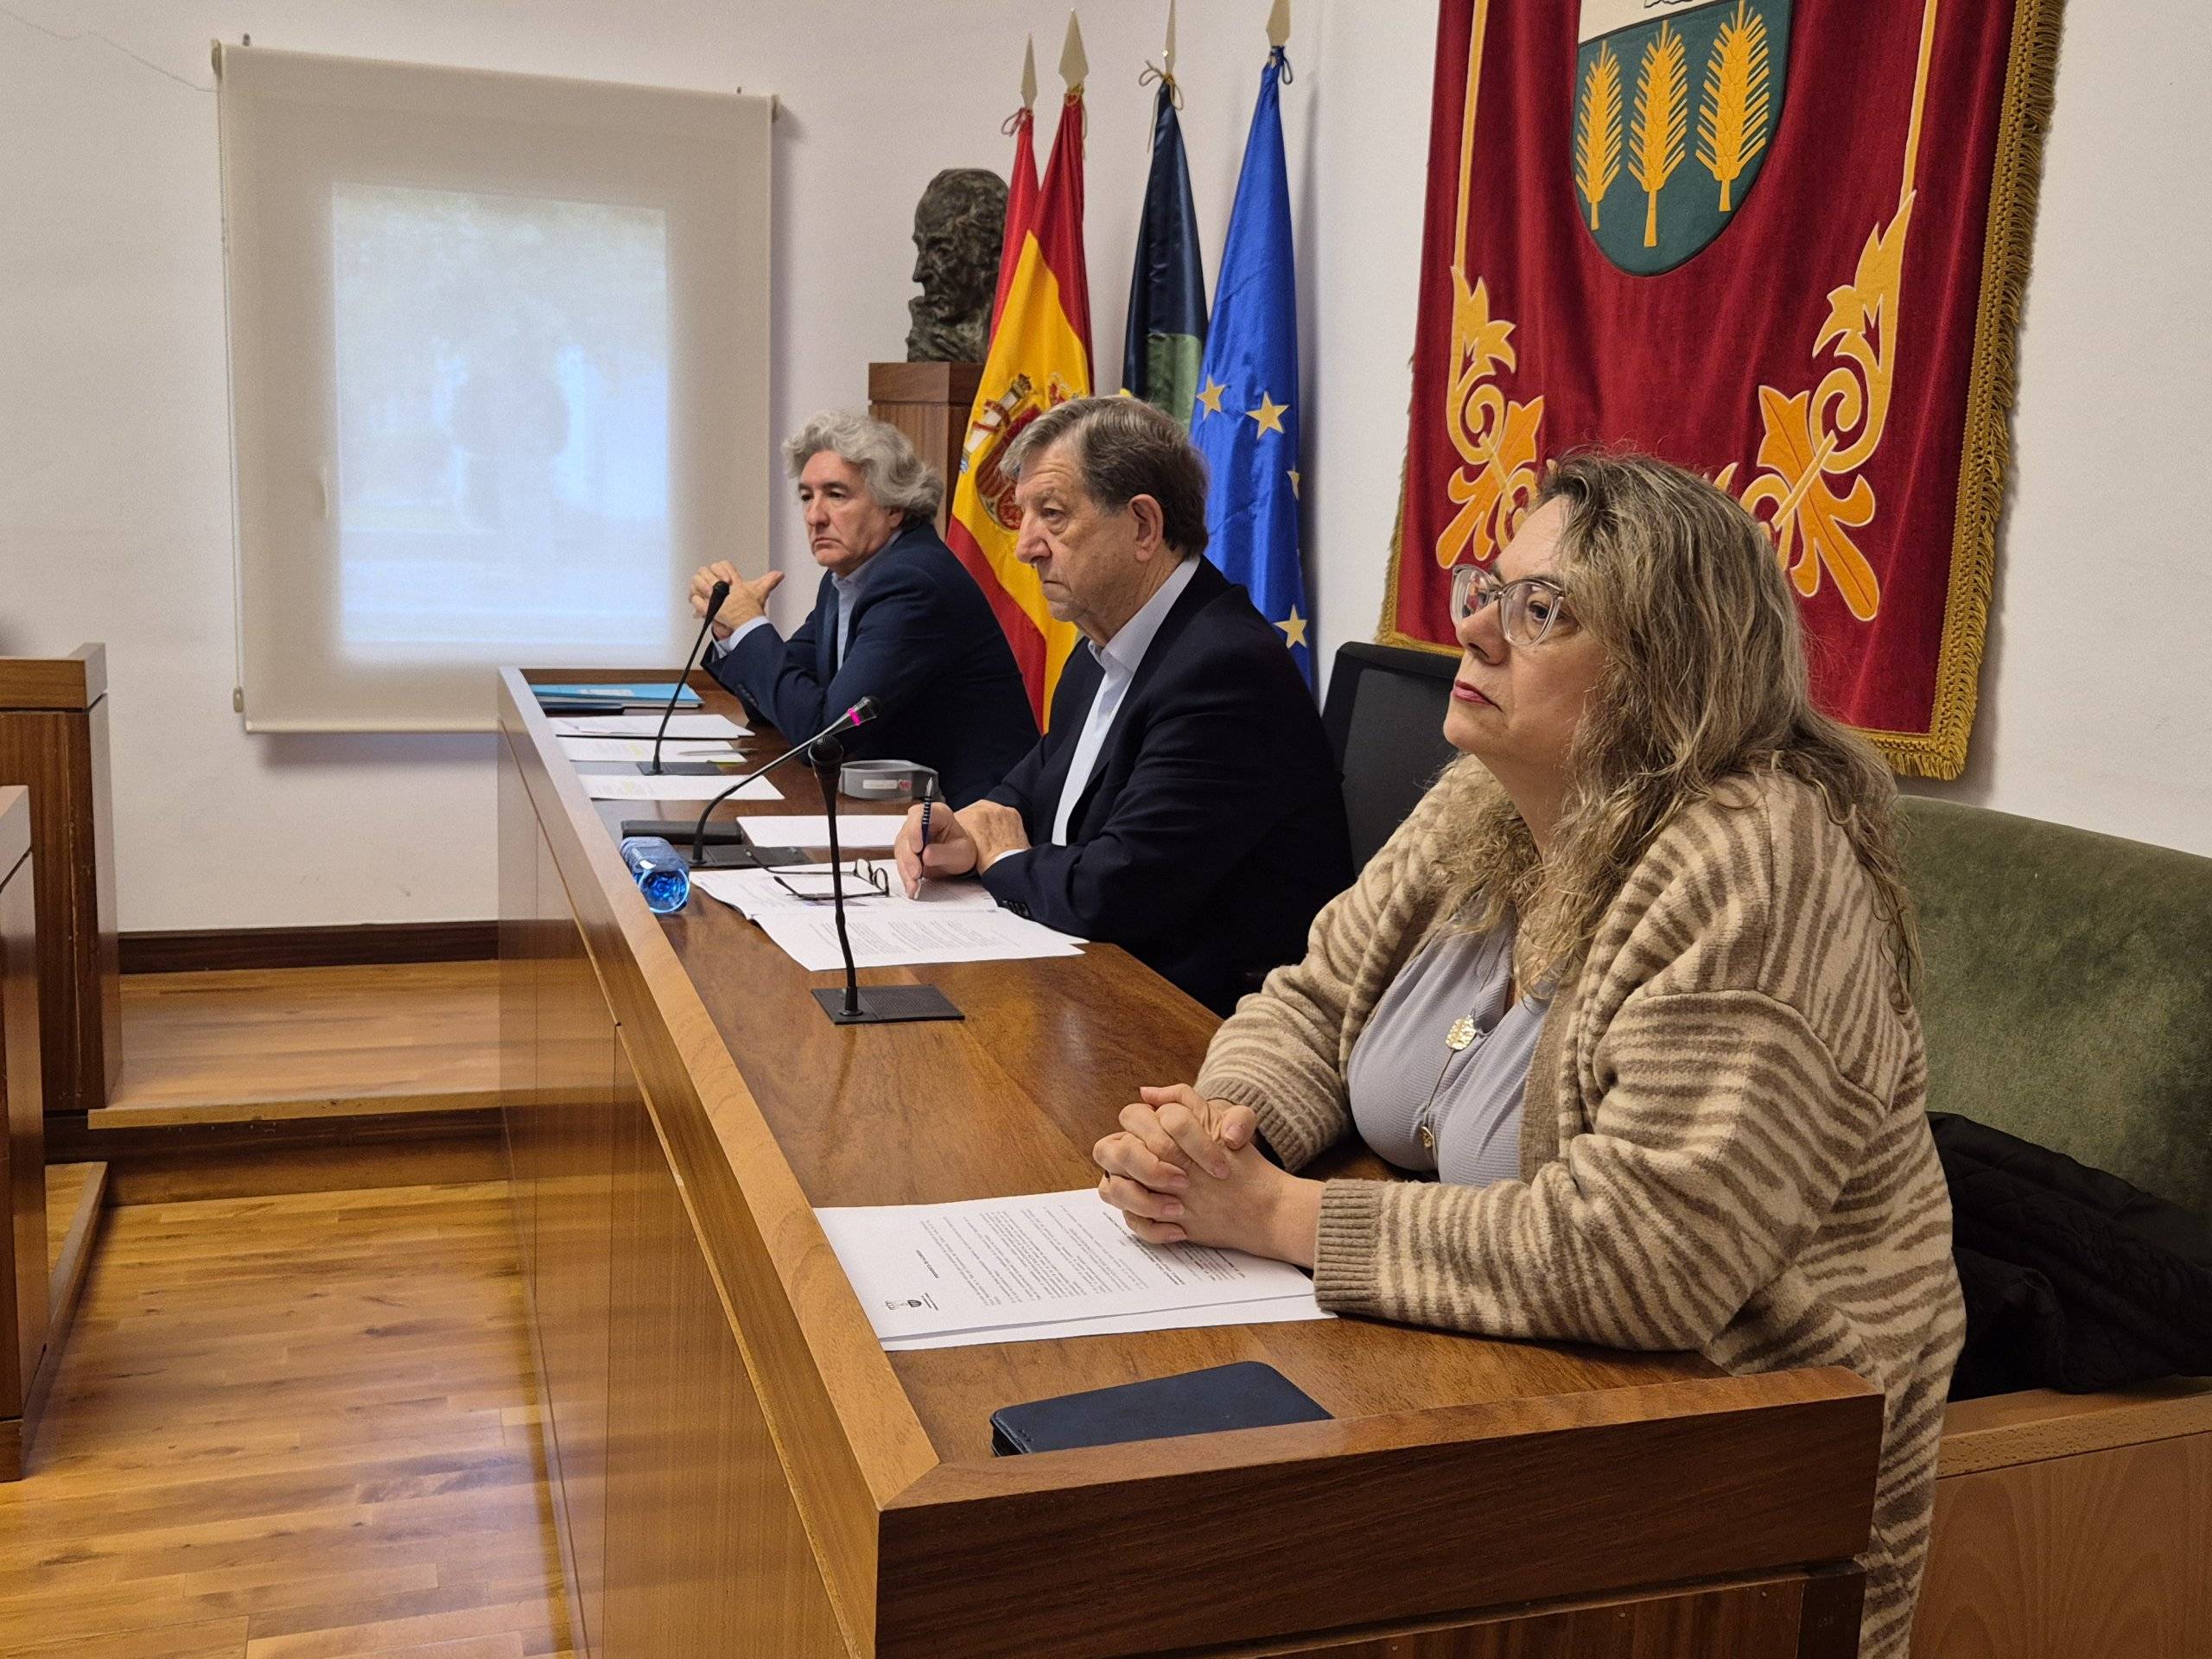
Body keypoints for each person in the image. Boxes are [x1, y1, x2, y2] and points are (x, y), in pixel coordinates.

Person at [1091, 453, 1964, 1659]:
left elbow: (1649, 1256)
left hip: (1738, 1442)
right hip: (1489, 1372)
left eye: (1542, 609)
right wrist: (1223, 1128)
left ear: (1671, 667)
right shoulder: (1483, 796)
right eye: (1490, 586)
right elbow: (1312, 996)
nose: (1478, 629)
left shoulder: (1755, 860)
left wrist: (1280, 1217)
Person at [892, 396, 1351, 1015]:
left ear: (1142, 526)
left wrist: (1000, 856)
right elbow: (1028, 793)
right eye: (1025, 515)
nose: (1026, 547)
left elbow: (1116, 891)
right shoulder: (1099, 648)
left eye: (1051, 515)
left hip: (1193, 1020)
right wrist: (969, 828)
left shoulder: (1223, 671)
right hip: (1092, 978)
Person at [691, 411, 1035, 807]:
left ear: (894, 508)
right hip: (897, 807)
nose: (814, 516)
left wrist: (750, 624)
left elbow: (824, 739)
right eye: (807, 497)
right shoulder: (845, 580)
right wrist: (729, 628)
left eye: (836, 495)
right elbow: (777, 709)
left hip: (969, 821)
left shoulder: (914, 584)